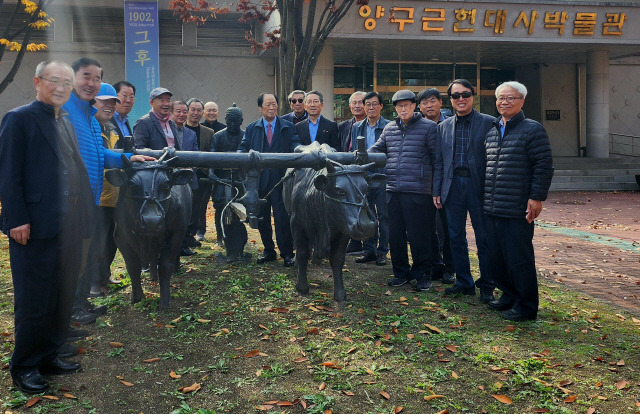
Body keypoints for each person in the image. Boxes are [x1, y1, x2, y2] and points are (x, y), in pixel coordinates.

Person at [0, 61, 93, 392]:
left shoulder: (64, 121)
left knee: (61, 294)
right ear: (37, 81)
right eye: (55, 81)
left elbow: (75, 170)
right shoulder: (18, 119)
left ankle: (49, 355)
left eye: (67, 83)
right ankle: (24, 365)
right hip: (33, 226)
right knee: (34, 298)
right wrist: (16, 219)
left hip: (67, 226)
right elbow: (8, 175)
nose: (61, 88)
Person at [64, 57, 150, 325]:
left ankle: (79, 304)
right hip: (70, 199)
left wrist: (127, 159)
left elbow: (98, 153)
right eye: (86, 77)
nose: (91, 84)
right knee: (72, 256)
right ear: (73, 79)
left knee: (84, 254)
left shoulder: (89, 117)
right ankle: (68, 310)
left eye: (97, 78)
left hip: (89, 196)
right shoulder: (64, 111)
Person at [484, 81, 554, 321]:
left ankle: (526, 306)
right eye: (501, 98)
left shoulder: (532, 129)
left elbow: (543, 166)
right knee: (498, 256)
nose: (504, 102)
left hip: (517, 207)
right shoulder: (493, 129)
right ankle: (508, 296)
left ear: (522, 101)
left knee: (519, 258)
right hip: (494, 206)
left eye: (510, 98)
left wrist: (536, 197)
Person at [433, 79, 496, 302]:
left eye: (465, 94)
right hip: (452, 187)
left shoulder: (489, 123)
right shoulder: (443, 127)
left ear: (473, 96)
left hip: (479, 186)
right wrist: (437, 190)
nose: (461, 99)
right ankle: (464, 282)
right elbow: (439, 162)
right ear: (450, 100)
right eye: (456, 95)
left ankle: (487, 284)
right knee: (455, 237)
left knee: (484, 238)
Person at [369, 90, 437, 291]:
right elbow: (377, 149)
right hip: (393, 189)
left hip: (418, 190)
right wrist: (359, 154)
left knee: (419, 235)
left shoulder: (429, 128)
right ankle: (400, 272)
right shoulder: (390, 128)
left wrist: (435, 188)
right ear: (395, 108)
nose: (403, 109)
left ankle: (422, 274)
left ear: (414, 106)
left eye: (406, 105)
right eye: (399, 106)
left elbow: (437, 159)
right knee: (395, 234)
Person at [237, 93, 300, 267]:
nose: (271, 107)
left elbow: (295, 144)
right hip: (260, 182)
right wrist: (239, 156)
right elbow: (243, 146)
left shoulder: (287, 127)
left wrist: (300, 150)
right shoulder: (252, 128)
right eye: (267, 104)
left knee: (282, 218)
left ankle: (287, 253)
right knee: (262, 218)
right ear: (260, 108)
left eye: (274, 104)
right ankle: (269, 251)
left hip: (282, 181)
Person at [89, 83, 125, 297]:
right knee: (96, 240)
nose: (110, 106)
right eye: (105, 101)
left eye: (113, 102)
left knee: (111, 239)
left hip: (114, 195)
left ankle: (104, 275)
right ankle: (93, 282)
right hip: (97, 197)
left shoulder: (112, 127)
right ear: (93, 101)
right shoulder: (89, 126)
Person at [416, 88, 454, 285]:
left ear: (441, 102)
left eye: (432, 101)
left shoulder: (449, 125)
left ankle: (449, 268)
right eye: (424, 102)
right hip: (423, 184)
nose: (429, 105)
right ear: (419, 107)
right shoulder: (415, 125)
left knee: (447, 229)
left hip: (447, 184)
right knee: (427, 228)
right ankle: (434, 265)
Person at [350, 91, 389, 266]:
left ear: (381, 106)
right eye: (368, 104)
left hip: (382, 176)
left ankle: (383, 251)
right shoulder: (357, 127)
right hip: (363, 177)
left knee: (383, 215)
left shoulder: (389, 126)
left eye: (374, 104)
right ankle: (369, 250)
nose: (371, 107)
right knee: (365, 214)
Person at [210, 104, 245, 246]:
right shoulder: (218, 136)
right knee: (220, 207)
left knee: (239, 206)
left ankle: (237, 236)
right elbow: (211, 157)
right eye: (229, 121)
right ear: (225, 120)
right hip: (221, 176)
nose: (232, 124)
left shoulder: (245, 135)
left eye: (235, 121)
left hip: (239, 176)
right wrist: (211, 173)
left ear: (241, 121)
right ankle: (220, 237)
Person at [338, 91, 366, 255]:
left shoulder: (370, 124)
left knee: (367, 208)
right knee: (348, 208)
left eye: (360, 102)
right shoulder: (343, 126)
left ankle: (370, 245)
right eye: (354, 103)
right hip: (347, 174)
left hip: (364, 173)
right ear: (349, 106)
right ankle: (353, 242)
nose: (357, 106)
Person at [171, 100, 200, 256]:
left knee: (187, 215)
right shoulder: (166, 129)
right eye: (178, 111)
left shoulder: (191, 133)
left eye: (184, 111)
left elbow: (195, 154)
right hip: (169, 181)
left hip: (188, 179)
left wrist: (188, 168)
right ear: (171, 112)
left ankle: (184, 245)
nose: (182, 114)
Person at [185, 98, 216, 243]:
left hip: (202, 175)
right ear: (187, 111)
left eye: (199, 110)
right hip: (183, 174)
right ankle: (184, 234)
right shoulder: (178, 128)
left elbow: (211, 153)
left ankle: (196, 232)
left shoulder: (209, 132)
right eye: (193, 109)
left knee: (199, 206)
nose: (196, 113)